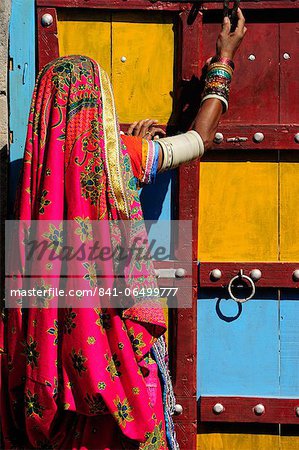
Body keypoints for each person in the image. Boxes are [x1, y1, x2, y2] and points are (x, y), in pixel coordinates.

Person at [1, 8, 246, 450]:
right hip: (120, 369)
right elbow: (199, 141)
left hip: (56, 385)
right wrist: (223, 62)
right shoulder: (123, 157)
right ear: (99, 102)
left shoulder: (28, 183)